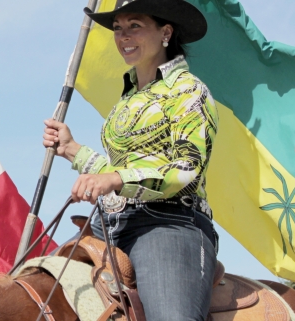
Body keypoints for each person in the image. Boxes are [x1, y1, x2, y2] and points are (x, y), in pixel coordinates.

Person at [43, 0, 219, 319]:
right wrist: (72, 149)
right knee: (34, 282)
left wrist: (115, 179)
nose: (123, 35)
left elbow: (187, 169)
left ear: (166, 32)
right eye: (118, 28)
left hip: (167, 224)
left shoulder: (188, 91)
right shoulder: (128, 98)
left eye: (135, 25)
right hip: (105, 224)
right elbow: (118, 174)